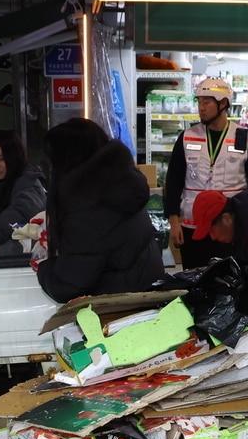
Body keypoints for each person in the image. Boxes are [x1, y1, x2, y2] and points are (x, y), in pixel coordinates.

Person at [35, 118, 164, 303]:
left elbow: (69, 285)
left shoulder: (87, 206)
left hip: (119, 309)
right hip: (144, 295)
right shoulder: (119, 183)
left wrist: (44, 269)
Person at [164, 78, 248, 268]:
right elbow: (173, 181)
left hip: (230, 230)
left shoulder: (246, 140)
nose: (201, 108)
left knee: (229, 282)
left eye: (206, 102)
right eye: (199, 102)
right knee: (194, 282)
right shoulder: (187, 137)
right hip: (192, 226)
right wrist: (174, 221)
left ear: (223, 103)